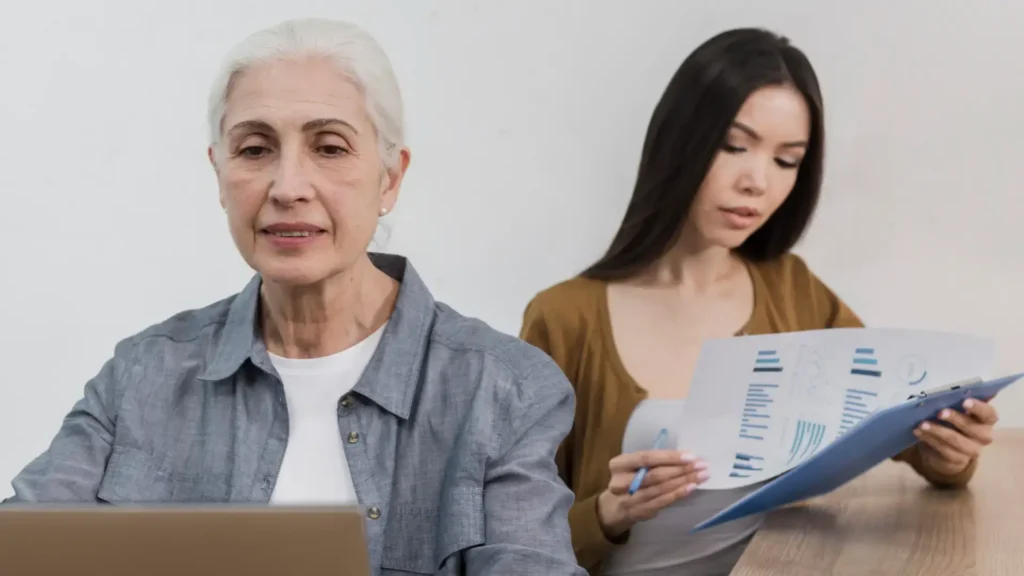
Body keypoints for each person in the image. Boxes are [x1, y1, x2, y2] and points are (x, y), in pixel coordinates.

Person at [6, 18, 586, 575]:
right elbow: (21, 547)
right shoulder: (141, 374)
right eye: (255, 149)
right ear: (219, 173)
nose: (287, 187)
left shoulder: (505, 389)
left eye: (329, 148)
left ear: (390, 177)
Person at [519, 27, 999, 576]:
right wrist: (607, 513)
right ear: (680, 141)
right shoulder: (562, 320)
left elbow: (904, 430)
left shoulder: (794, 292)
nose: (757, 182)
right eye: (734, 146)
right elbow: (510, 537)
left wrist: (949, 454)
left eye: (786, 161)